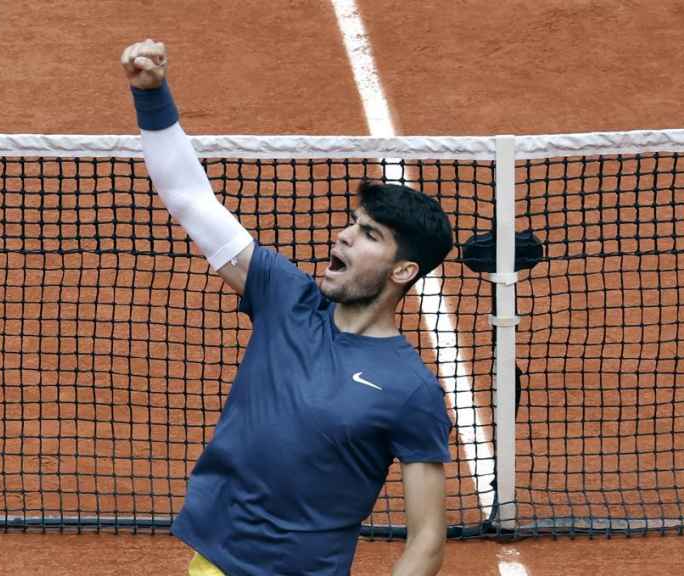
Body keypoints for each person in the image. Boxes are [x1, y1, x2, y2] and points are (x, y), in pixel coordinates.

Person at [121, 39, 454, 576]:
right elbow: (189, 197)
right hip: (212, 567)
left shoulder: (410, 391)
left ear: (402, 271)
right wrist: (152, 95)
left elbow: (427, 541)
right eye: (352, 222)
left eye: (368, 234)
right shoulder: (285, 298)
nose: (344, 237)